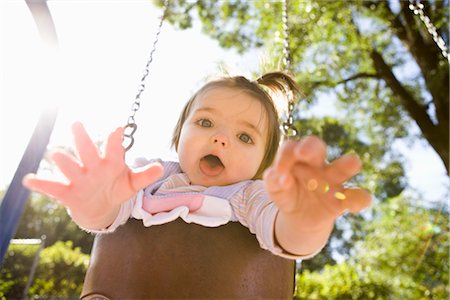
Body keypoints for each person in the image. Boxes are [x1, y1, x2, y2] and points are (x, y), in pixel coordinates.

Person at [23, 71, 371, 260]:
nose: (221, 139)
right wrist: (95, 202)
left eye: (245, 138)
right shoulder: (151, 176)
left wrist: (304, 220)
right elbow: (109, 213)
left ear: (263, 166)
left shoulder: (251, 195)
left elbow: (285, 235)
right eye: (206, 123)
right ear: (178, 136)